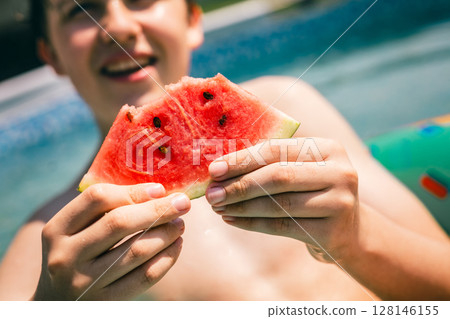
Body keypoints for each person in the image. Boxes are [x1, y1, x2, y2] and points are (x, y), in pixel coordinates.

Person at [0, 0, 449, 301]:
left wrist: (357, 237)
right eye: (83, 11)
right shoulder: (46, 244)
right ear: (52, 55)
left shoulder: (289, 105)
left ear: (192, 20)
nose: (116, 25)